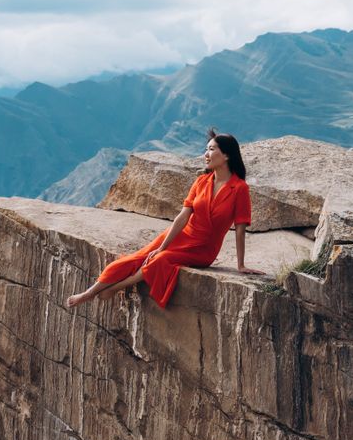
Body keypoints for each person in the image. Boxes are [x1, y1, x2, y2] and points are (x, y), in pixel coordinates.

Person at [66, 130, 265, 309]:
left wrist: (241, 265)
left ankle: (116, 287)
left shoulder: (239, 188)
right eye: (206, 149)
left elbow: (240, 227)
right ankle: (89, 293)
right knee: (139, 257)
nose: (205, 154)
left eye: (211, 149)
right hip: (184, 235)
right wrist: (163, 244)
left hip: (203, 249)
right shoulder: (201, 181)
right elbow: (183, 216)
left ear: (227, 155)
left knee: (160, 259)